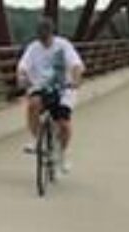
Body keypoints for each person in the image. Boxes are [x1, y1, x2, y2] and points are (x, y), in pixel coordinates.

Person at [18, 18, 84, 174]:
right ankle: (37, 139)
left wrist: (75, 80)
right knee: (33, 105)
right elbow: (23, 67)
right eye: (40, 35)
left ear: (51, 33)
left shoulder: (63, 45)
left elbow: (76, 65)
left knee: (64, 124)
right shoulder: (33, 48)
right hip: (41, 87)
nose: (43, 39)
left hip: (63, 89)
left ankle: (62, 154)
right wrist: (22, 78)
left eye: (46, 35)